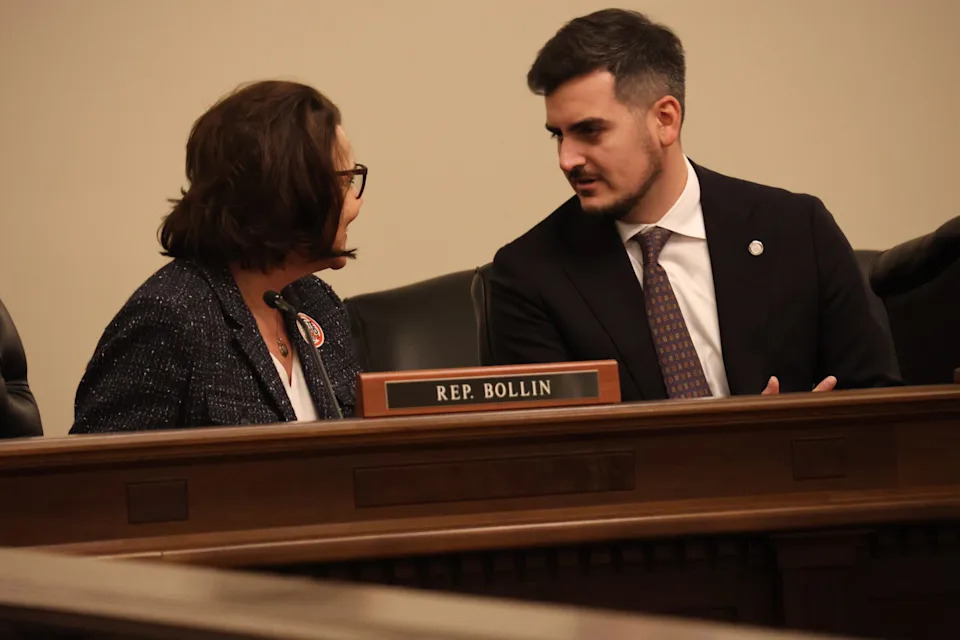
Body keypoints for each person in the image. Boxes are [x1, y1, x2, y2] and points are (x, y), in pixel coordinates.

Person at [487, 9, 900, 401]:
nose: (567, 159)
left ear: (665, 119)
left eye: (589, 131)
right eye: (558, 135)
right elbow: (549, 459)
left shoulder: (796, 230)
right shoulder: (529, 276)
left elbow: (878, 404)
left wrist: (800, 438)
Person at [71, 80, 366, 433]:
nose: (357, 203)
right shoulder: (170, 319)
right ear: (288, 193)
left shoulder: (318, 305)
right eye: (344, 182)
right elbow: (97, 481)